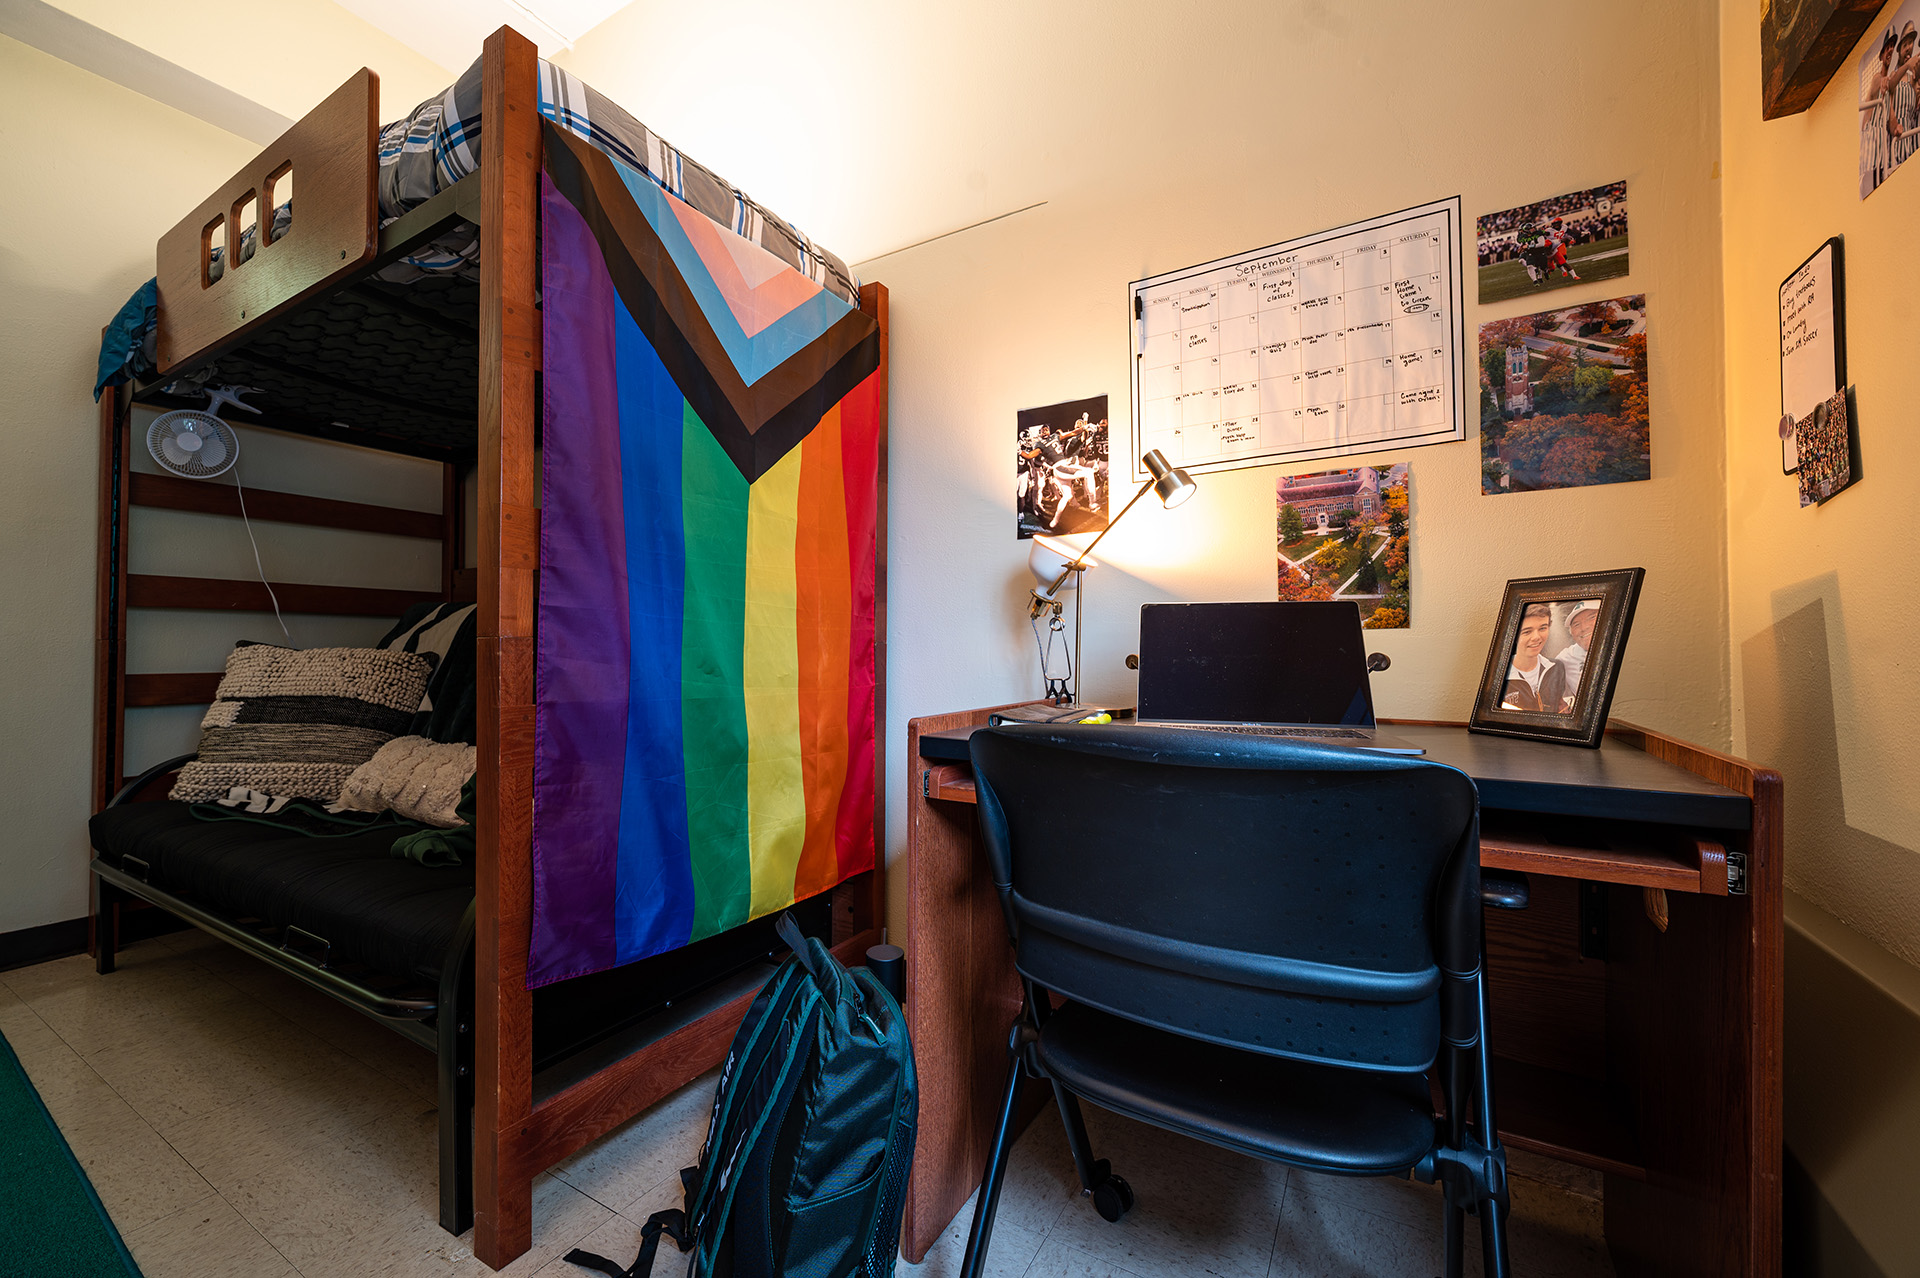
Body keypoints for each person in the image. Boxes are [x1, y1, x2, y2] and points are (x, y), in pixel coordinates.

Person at [1500, 602, 1572, 714]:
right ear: (1512, 634)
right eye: (1527, 631)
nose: (1536, 637)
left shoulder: (1557, 667)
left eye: (1543, 628)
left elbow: (1559, 704)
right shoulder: (1501, 673)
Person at [1557, 600, 1599, 698]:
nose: (1584, 628)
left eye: (1591, 618)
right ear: (1571, 633)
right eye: (1576, 624)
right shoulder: (1564, 658)